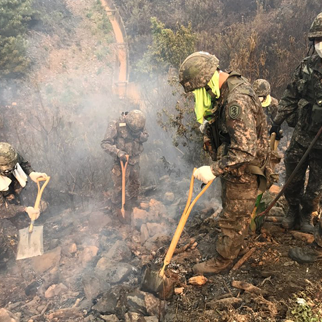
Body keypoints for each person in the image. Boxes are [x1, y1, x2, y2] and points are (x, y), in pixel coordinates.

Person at [178, 51, 269, 275]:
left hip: (244, 171)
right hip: (234, 168)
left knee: (233, 217)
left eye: (197, 91)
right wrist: (209, 132)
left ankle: (223, 260)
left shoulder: (236, 101)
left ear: (206, 84)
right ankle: (236, 239)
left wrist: (213, 169)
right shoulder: (226, 90)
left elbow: (244, 150)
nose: (197, 97)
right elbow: (222, 127)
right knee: (232, 210)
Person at [270, 12, 322, 235]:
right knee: (293, 173)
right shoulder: (306, 67)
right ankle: (291, 211)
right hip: (302, 135)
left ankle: (306, 214)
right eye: (318, 40)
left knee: (316, 185)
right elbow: (290, 96)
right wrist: (277, 121)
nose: (320, 45)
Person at [0, 142, 48, 266]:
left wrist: (32, 173)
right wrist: (26, 209)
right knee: (9, 236)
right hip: (2, 205)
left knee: (25, 223)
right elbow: (2, 209)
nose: (11, 167)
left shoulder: (9, 155)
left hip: (11, 190)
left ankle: (32, 254)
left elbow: (22, 163)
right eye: (7, 167)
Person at [101, 110, 149, 218]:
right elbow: (105, 144)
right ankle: (116, 211)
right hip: (121, 162)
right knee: (119, 187)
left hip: (135, 160)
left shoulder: (139, 121)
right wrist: (118, 153)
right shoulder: (115, 124)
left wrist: (142, 136)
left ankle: (133, 209)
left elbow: (145, 135)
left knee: (135, 185)